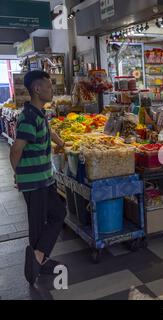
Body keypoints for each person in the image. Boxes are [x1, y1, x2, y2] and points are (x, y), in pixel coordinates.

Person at [9, 70, 67, 285]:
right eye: (49, 86)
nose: (52, 90)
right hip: (34, 181)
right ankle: (38, 260)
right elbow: (15, 150)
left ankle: (39, 257)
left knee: (57, 214)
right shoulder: (28, 117)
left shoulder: (38, 113)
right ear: (37, 89)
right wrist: (19, 175)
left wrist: (61, 143)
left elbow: (48, 131)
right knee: (40, 222)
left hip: (44, 177)